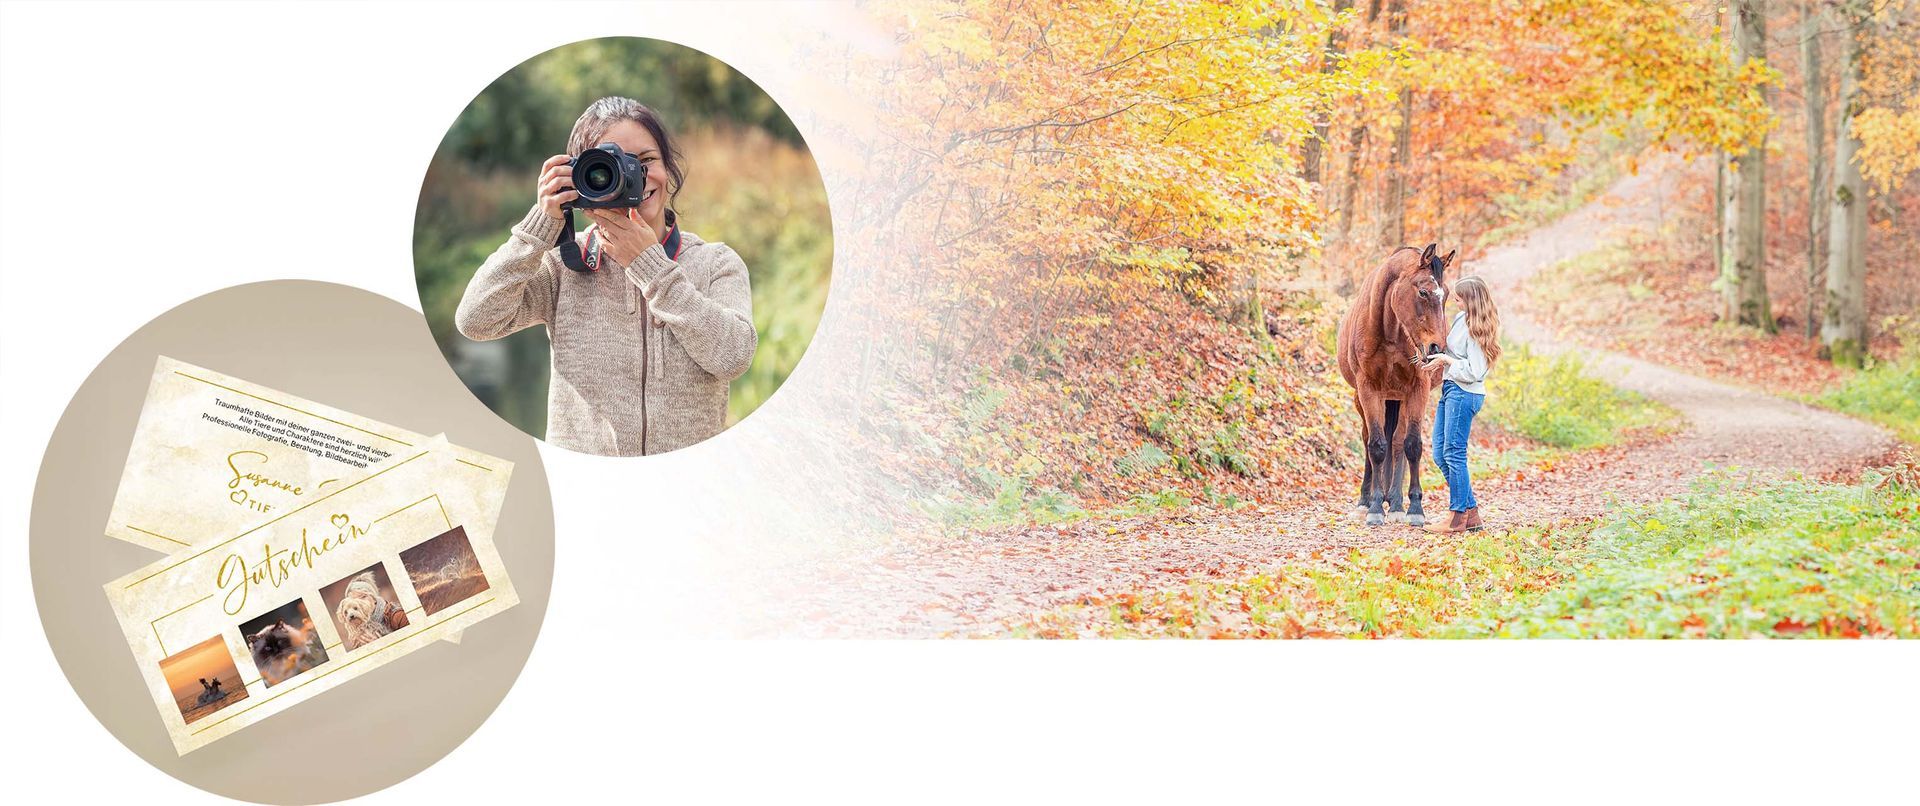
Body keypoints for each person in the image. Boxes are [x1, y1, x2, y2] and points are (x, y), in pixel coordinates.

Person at [455, 96, 757, 456]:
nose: (636, 176)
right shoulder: (563, 266)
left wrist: (652, 266)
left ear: (668, 168)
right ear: (578, 179)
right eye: (611, 166)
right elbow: (475, 321)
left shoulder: (715, 263)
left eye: (646, 161)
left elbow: (733, 356)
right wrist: (541, 225)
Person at [1423, 275, 1501, 534]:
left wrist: (1447, 362)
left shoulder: (1477, 329)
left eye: (1458, 297)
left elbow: (1475, 371)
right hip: (1451, 389)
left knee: (1454, 454)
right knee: (1439, 454)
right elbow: (1453, 355)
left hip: (1465, 393)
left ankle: (1457, 517)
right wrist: (1437, 358)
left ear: (1470, 300)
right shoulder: (1459, 319)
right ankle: (1471, 512)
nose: (1454, 300)